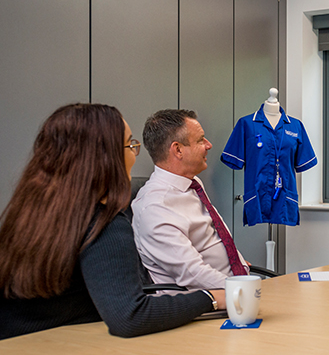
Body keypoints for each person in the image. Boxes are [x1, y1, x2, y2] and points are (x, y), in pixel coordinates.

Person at [0, 104, 222, 340]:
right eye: (130, 145)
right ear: (105, 158)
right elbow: (130, 316)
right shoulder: (102, 223)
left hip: (19, 347)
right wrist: (212, 297)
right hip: (58, 350)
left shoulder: (28, 212)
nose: (134, 154)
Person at [133, 109, 249, 289]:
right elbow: (193, 274)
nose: (209, 145)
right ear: (178, 150)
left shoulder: (193, 183)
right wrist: (244, 289)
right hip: (209, 298)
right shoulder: (154, 207)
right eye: (201, 140)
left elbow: (214, 237)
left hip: (233, 286)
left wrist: (239, 265)